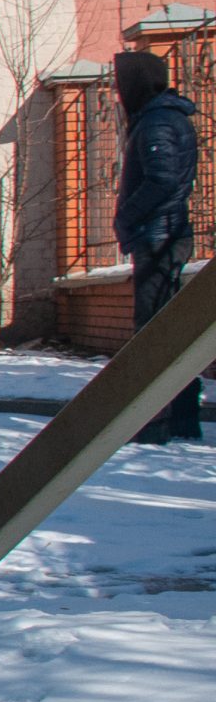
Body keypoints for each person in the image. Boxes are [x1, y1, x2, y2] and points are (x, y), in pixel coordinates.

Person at [114, 47, 201, 443]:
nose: (118, 92)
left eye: (122, 83)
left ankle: (155, 423)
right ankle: (181, 417)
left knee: (151, 335)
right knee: (169, 333)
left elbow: (162, 180)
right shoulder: (166, 117)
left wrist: (128, 216)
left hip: (158, 235)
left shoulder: (155, 122)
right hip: (167, 233)